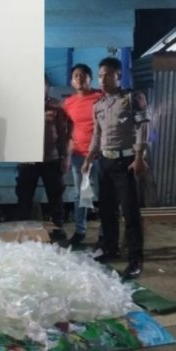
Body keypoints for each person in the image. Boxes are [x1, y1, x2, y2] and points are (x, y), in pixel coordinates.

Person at [82, 57, 149, 280]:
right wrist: (89, 159)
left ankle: (135, 260)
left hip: (127, 163)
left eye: (108, 75)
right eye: (100, 76)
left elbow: (142, 127)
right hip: (105, 163)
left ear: (118, 76)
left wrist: (139, 157)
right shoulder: (98, 105)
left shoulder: (132, 98)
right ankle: (110, 248)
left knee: (130, 213)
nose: (103, 80)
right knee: (107, 210)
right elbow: (97, 135)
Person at [15, 76, 72, 241]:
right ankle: (23, 231)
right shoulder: (22, 106)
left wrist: (65, 157)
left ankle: (58, 229)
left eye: (42, 85)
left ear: (48, 87)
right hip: (28, 160)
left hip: (51, 159)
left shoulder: (57, 106)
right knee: (24, 197)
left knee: (55, 197)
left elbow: (63, 133)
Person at [63, 63, 103, 249]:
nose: (79, 78)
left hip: (100, 155)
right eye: (75, 76)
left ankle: (104, 233)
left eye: (83, 75)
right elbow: (67, 129)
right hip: (78, 155)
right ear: (72, 81)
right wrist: (68, 152)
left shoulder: (101, 97)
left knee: (104, 194)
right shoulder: (69, 103)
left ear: (90, 79)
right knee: (81, 194)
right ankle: (80, 231)